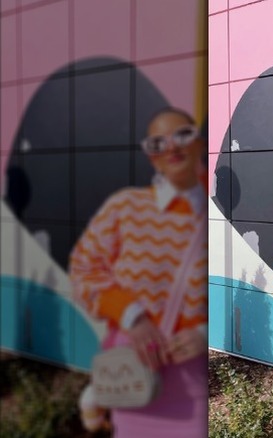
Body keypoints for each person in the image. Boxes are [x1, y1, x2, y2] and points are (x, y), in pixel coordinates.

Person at [70, 108, 208, 437]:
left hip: (196, 389)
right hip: (131, 377)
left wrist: (204, 333)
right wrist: (131, 315)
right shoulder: (125, 207)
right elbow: (83, 270)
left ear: (199, 142)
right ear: (151, 156)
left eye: (183, 135)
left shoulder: (214, 214)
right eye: (159, 142)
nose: (172, 147)